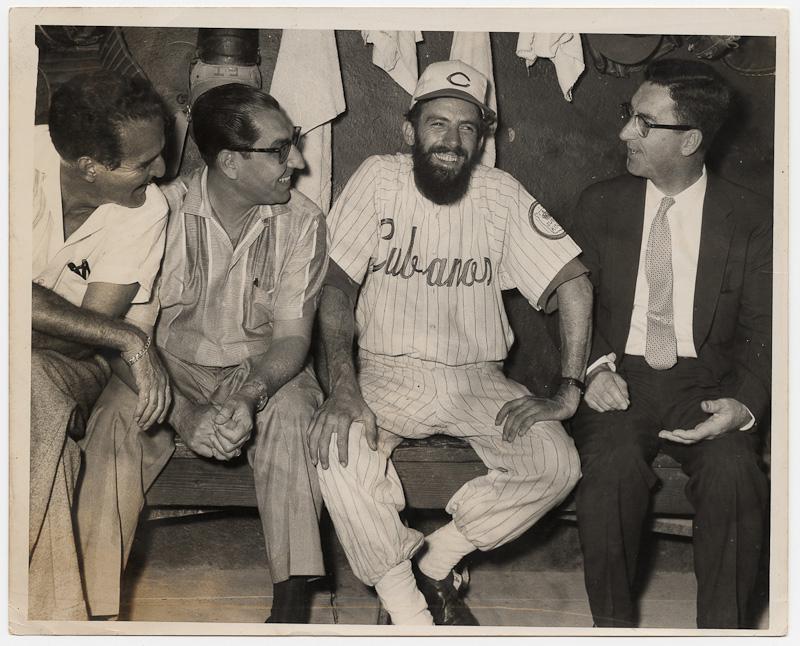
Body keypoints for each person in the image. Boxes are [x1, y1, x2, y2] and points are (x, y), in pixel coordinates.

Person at [308, 60, 592, 626]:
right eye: (437, 124)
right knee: (337, 454)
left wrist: (569, 388)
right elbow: (334, 289)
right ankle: (405, 604)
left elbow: (574, 282)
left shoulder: (499, 191)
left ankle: (437, 559)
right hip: (386, 374)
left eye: (467, 128)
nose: (452, 141)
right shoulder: (377, 177)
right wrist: (343, 387)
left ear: (482, 136)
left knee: (555, 463)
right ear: (408, 129)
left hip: (476, 378)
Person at [569, 58, 771, 629]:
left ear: (690, 141)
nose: (623, 133)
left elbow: (766, 329)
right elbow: (570, 307)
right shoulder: (600, 203)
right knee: (609, 470)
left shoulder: (753, 217)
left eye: (642, 122)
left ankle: (724, 635)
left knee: (735, 474)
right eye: (628, 116)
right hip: (621, 371)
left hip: (710, 383)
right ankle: (612, 631)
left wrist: (744, 405)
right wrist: (592, 368)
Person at [149, 83, 328, 623]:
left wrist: (251, 394)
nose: (295, 161)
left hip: (261, 366)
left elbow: (293, 340)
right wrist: (182, 411)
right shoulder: (161, 213)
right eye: (279, 149)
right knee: (118, 414)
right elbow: (133, 336)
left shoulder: (302, 221)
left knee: (296, 410)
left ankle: (292, 605)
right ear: (229, 161)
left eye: (291, 143)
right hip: (170, 366)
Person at [30, 70, 173, 620]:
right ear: (89, 167)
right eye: (144, 163)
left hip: (70, 368)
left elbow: (82, 333)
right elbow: (102, 328)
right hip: (47, 372)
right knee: (51, 447)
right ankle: (54, 620)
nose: (161, 172)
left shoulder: (147, 208)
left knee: (36, 382)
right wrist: (125, 337)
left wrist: (39, 308)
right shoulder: (13, 163)